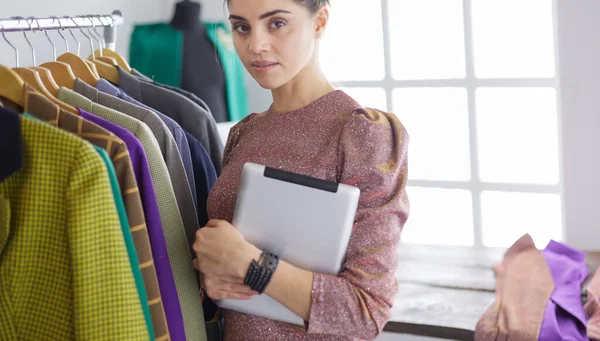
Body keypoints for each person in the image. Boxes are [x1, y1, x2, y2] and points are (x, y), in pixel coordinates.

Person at [192, 0, 410, 340]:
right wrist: (211, 276)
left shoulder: (361, 133)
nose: (256, 45)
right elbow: (226, 289)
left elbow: (365, 313)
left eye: (276, 23)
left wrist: (249, 264)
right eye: (242, 27)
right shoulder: (243, 133)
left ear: (320, 22)